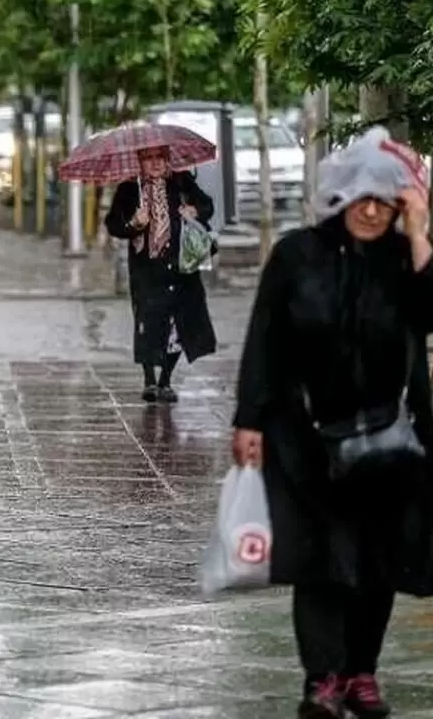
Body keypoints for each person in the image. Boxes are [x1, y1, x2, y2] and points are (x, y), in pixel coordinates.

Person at [232, 127, 433, 719]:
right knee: (320, 561)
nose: (371, 211)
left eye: (385, 200)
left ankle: (361, 673)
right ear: (340, 198)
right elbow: (263, 340)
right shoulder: (296, 255)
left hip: (390, 437)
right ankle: (322, 678)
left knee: (377, 561)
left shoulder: (403, 258)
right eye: (360, 198)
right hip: (307, 435)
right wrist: (251, 419)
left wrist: (420, 230)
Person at [103, 147, 217, 402]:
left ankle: (166, 380)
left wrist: (194, 211)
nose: (155, 164)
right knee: (148, 323)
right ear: (140, 162)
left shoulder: (182, 181)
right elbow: (113, 224)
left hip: (181, 267)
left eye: (160, 158)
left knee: (178, 325)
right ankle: (149, 381)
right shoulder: (129, 189)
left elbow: (207, 205)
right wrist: (134, 224)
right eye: (149, 159)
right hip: (147, 270)